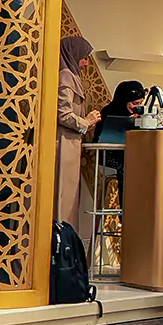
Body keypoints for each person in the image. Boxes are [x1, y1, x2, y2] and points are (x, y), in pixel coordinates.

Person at [55, 35, 104, 229]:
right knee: (62, 197)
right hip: (63, 145)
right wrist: (86, 121)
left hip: (71, 145)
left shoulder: (72, 76)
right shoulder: (66, 76)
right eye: (84, 57)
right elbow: (63, 113)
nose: (85, 63)